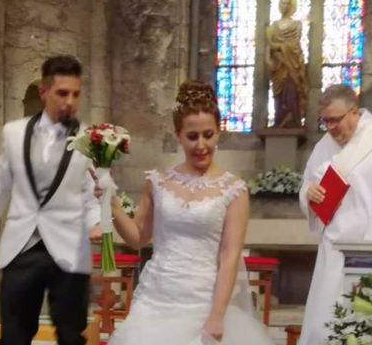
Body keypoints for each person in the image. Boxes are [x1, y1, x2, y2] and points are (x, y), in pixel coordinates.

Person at [104, 80, 273, 345]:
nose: (201, 144)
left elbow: (229, 257)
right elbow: (137, 238)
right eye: (192, 137)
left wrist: (217, 316)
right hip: (155, 298)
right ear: (178, 134)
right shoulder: (156, 181)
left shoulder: (234, 190)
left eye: (209, 134)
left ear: (219, 132)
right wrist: (110, 204)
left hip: (203, 300)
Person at [0, 55, 101, 345]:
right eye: (62, 93)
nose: (70, 101)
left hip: (68, 247)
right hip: (21, 247)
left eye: (76, 94)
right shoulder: (13, 133)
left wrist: (96, 223)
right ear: (44, 92)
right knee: (13, 336)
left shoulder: (91, 138)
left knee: (71, 335)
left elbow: (92, 189)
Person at [298, 84, 372, 345]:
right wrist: (309, 194)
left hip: (367, 250)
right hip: (332, 252)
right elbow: (308, 183)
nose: (330, 128)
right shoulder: (323, 146)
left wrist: (371, 257)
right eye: (325, 121)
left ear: (354, 112)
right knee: (323, 326)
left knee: (363, 327)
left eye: (334, 120)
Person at [266, 0, 308, 127]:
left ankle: (292, 118)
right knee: (278, 92)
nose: (284, 6)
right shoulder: (273, 27)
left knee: (291, 89)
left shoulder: (296, 25)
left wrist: (280, 46)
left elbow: (295, 45)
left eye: (287, 4)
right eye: (282, 3)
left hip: (292, 63)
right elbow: (269, 46)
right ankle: (280, 117)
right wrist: (268, 59)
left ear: (291, 6)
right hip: (278, 65)